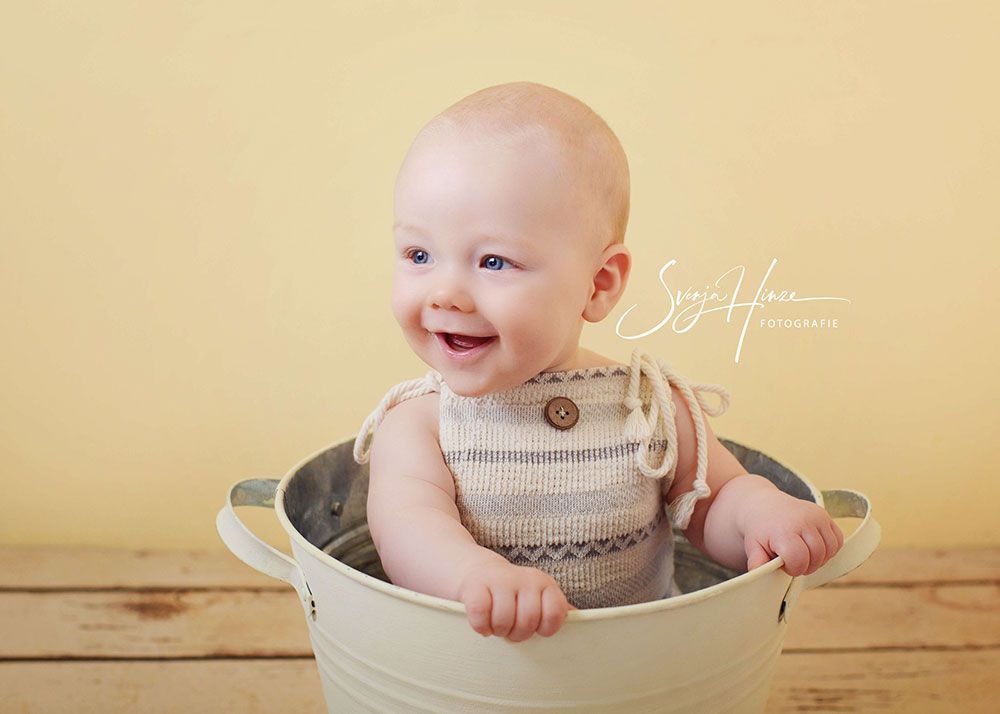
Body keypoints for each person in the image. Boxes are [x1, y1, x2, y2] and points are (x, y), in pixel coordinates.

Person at [352, 81, 844, 643]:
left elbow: (714, 503)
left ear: (598, 283)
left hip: (642, 673)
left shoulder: (646, 405)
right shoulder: (420, 422)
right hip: (481, 678)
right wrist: (475, 576)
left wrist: (763, 513)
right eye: (419, 254)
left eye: (493, 260)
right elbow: (407, 530)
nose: (445, 294)